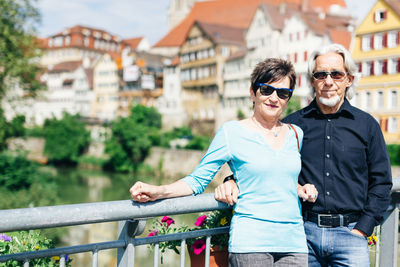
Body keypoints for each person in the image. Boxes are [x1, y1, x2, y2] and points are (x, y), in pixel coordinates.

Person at [215, 43, 393, 267]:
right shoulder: (292, 126)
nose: (328, 81)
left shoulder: (367, 125)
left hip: (351, 235)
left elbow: (382, 182)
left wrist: (362, 230)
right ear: (312, 80)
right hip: (302, 238)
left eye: (336, 74)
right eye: (321, 74)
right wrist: (231, 181)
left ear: (349, 79)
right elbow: (264, 165)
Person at [130, 58, 318, 267]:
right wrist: (159, 191)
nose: (274, 98)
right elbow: (198, 181)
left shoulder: (295, 134)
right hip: (251, 244)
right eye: (266, 90)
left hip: (294, 244)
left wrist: (301, 188)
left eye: (283, 93)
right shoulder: (232, 133)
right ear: (252, 92)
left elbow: (280, 178)